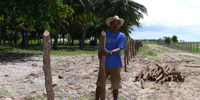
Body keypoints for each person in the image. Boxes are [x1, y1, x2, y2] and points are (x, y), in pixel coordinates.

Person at [95, 15, 126, 100]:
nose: (116, 25)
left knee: (115, 86)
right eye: (114, 23)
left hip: (116, 65)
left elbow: (119, 49)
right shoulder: (104, 34)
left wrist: (108, 52)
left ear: (119, 25)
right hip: (104, 64)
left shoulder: (121, 36)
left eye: (117, 24)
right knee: (100, 84)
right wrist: (100, 54)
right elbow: (100, 47)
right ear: (110, 24)